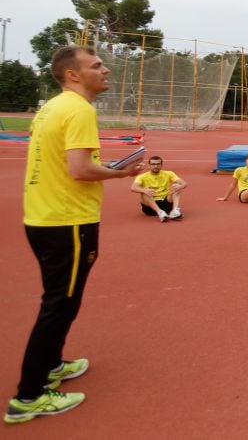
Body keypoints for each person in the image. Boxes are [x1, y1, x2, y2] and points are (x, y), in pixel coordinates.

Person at [6, 45, 146, 425]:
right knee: (60, 305)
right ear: (72, 74)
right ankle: (28, 397)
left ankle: (51, 365)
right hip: (66, 222)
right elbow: (80, 170)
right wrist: (121, 173)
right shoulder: (79, 109)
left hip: (43, 216)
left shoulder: (54, 106)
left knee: (59, 300)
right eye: (96, 65)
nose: (105, 70)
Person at [130, 155, 187, 222]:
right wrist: (144, 190)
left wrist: (180, 186)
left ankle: (175, 211)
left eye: (158, 164)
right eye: (153, 164)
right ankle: (160, 212)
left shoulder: (169, 173)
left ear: (161, 165)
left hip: (166, 204)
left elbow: (184, 183)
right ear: (149, 165)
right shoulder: (142, 176)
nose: (156, 166)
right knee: (144, 191)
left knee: (176, 185)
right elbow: (133, 188)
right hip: (150, 207)